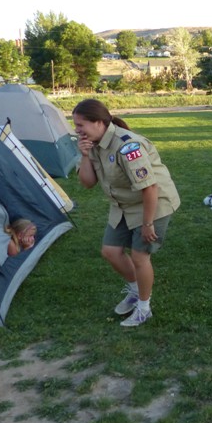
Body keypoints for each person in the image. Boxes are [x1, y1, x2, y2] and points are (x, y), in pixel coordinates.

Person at [73, 99, 180, 327]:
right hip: (123, 205)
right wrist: (84, 156)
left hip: (152, 203)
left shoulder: (127, 146)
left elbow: (150, 187)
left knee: (140, 257)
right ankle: (135, 290)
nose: (77, 130)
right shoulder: (92, 143)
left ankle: (144, 307)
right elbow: (87, 183)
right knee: (110, 251)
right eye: (76, 125)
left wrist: (148, 224)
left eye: (80, 125)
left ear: (99, 122)